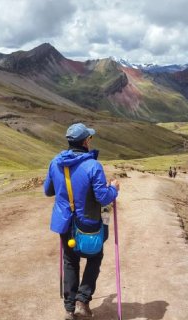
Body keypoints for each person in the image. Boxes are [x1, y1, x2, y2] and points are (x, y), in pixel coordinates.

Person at [44, 123, 120, 320]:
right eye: (90, 138)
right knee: (95, 257)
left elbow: (48, 191)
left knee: (70, 261)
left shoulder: (55, 162)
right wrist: (114, 189)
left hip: (64, 224)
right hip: (88, 223)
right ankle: (82, 300)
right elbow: (103, 198)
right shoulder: (93, 166)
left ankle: (69, 308)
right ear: (86, 141)